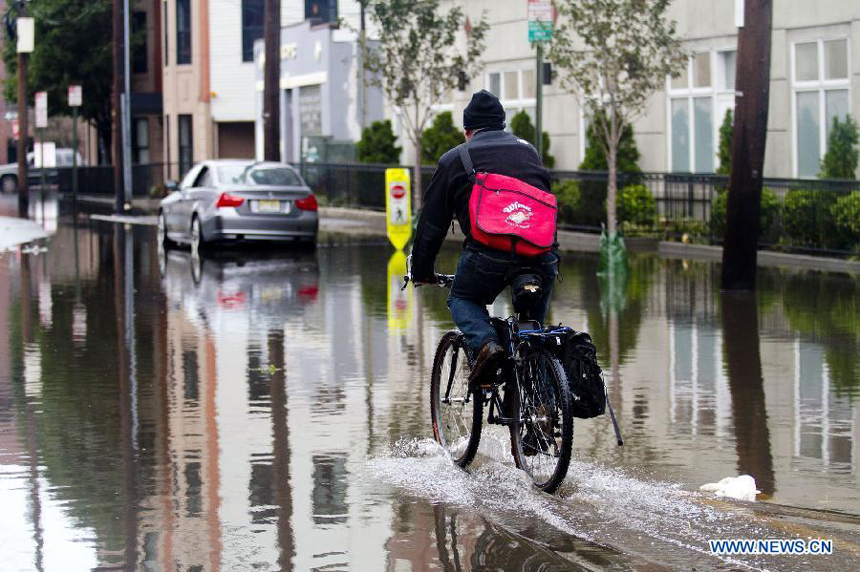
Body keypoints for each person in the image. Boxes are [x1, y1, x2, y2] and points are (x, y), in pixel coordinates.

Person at [411, 90, 560, 386]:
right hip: (541, 254)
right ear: (501, 124)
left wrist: (422, 270)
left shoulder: (456, 158)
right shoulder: (528, 150)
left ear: (467, 130)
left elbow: (432, 225)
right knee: (533, 331)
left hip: (488, 254)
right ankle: (542, 409)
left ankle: (486, 345)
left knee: (463, 298)